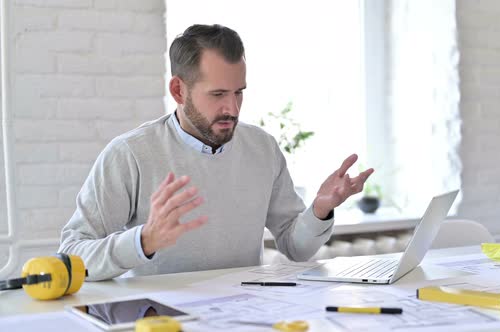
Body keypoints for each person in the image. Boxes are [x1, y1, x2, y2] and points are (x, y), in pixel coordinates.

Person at [58, 24, 373, 281]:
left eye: (239, 93)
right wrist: (143, 241)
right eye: (218, 94)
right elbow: (73, 255)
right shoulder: (129, 154)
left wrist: (320, 209)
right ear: (179, 91)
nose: (232, 109)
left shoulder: (262, 148)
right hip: (160, 320)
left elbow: (295, 248)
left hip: (243, 315)